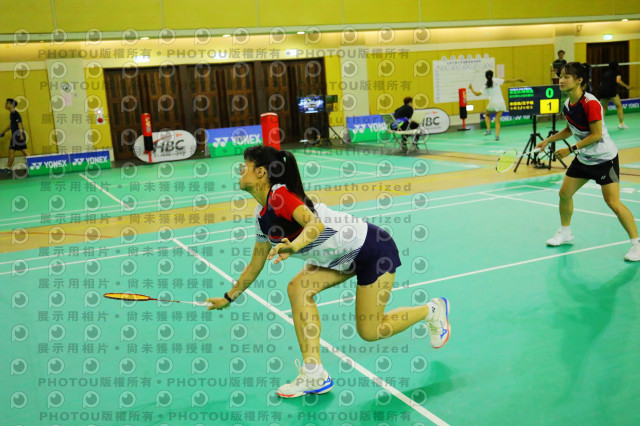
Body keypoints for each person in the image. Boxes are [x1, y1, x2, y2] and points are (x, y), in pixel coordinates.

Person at [206, 145, 451, 398]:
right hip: (341, 259)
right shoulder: (261, 215)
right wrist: (228, 297)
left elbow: (315, 225)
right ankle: (315, 374)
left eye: (244, 167)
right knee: (298, 289)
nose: (240, 172)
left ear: (260, 172)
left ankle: (432, 310)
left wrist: (295, 246)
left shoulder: (281, 196)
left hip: (373, 250)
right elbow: (256, 263)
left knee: (371, 331)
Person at [535, 62, 639, 261]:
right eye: (560, 76)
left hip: (604, 159)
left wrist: (570, 149)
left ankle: (637, 244)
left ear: (579, 80)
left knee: (613, 202)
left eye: (566, 77)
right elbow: (570, 129)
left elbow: (596, 134)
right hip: (584, 159)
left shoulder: (590, 103)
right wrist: (548, 140)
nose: (561, 80)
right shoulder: (568, 104)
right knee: (564, 194)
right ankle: (565, 232)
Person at [469, 71, 524, 141]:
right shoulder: (496, 81)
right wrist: (518, 79)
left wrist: (471, 89)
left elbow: (477, 94)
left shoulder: (485, 85)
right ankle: (497, 136)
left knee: (487, 115)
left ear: (486, 77)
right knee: (497, 120)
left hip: (492, 104)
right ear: (492, 75)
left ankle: (488, 130)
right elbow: (507, 80)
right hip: (501, 103)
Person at [597, 62, 633, 129]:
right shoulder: (617, 72)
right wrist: (626, 86)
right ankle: (621, 124)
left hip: (601, 91)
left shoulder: (606, 73)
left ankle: (598, 124)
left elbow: (601, 83)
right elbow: (618, 81)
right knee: (619, 106)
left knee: (604, 107)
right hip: (610, 91)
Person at [1, 98, 30, 173]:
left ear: (11, 105)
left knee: (17, 151)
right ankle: (8, 168)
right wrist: (3, 132)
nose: (6, 105)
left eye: (7, 103)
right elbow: (10, 125)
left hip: (18, 135)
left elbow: (19, 124)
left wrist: (21, 135)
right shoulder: (12, 114)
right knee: (20, 151)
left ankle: (8, 168)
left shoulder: (15, 114)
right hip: (16, 136)